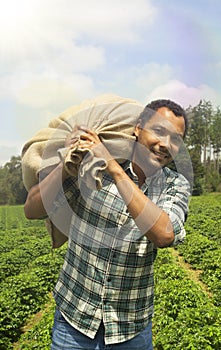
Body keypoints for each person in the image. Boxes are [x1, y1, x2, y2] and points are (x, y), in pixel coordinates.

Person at [24, 99, 191, 350]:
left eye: (176, 139)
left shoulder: (174, 185)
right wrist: (67, 166)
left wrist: (113, 166)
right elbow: (32, 209)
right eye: (159, 131)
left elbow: (164, 234)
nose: (166, 144)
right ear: (138, 128)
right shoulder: (91, 168)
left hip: (130, 329)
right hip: (74, 322)